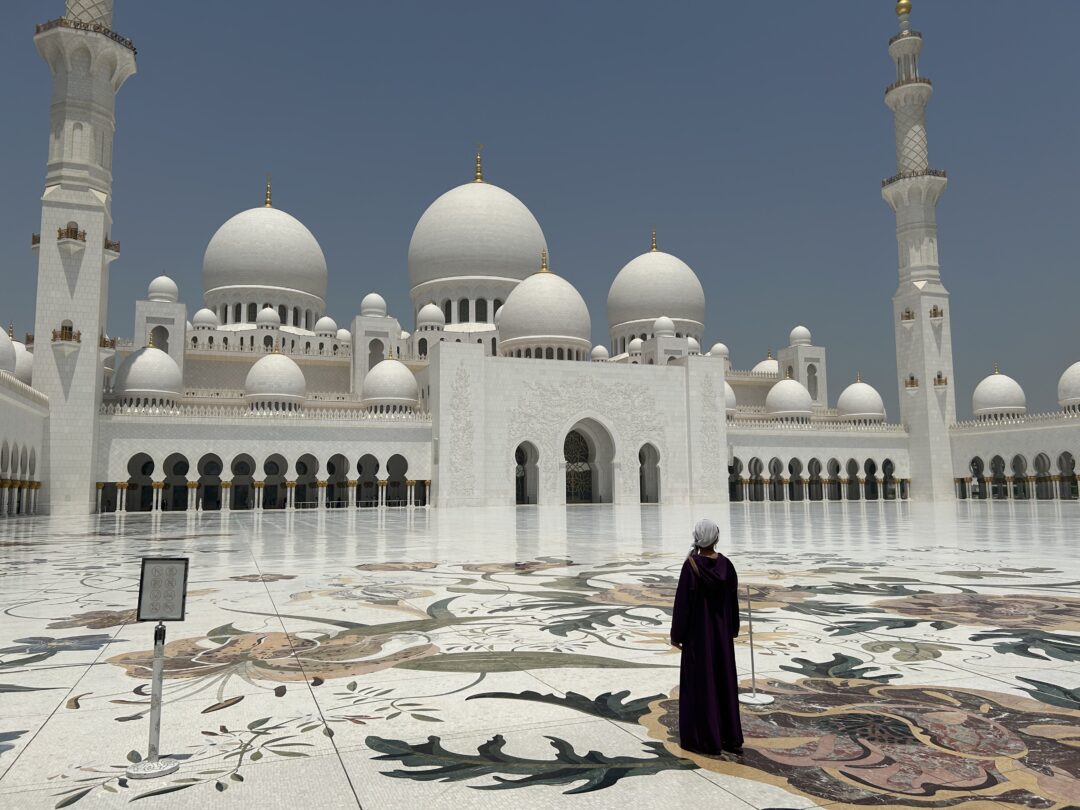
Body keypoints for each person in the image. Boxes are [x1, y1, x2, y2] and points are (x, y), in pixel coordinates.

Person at [670, 518, 743, 755]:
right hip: (721, 637)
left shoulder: (691, 566)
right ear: (716, 538)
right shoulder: (727, 565)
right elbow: (733, 601)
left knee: (701, 684)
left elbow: (683, 605)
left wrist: (677, 635)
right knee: (723, 682)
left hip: (698, 638)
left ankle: (703, 738)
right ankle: (728, 737)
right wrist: (732, 628)